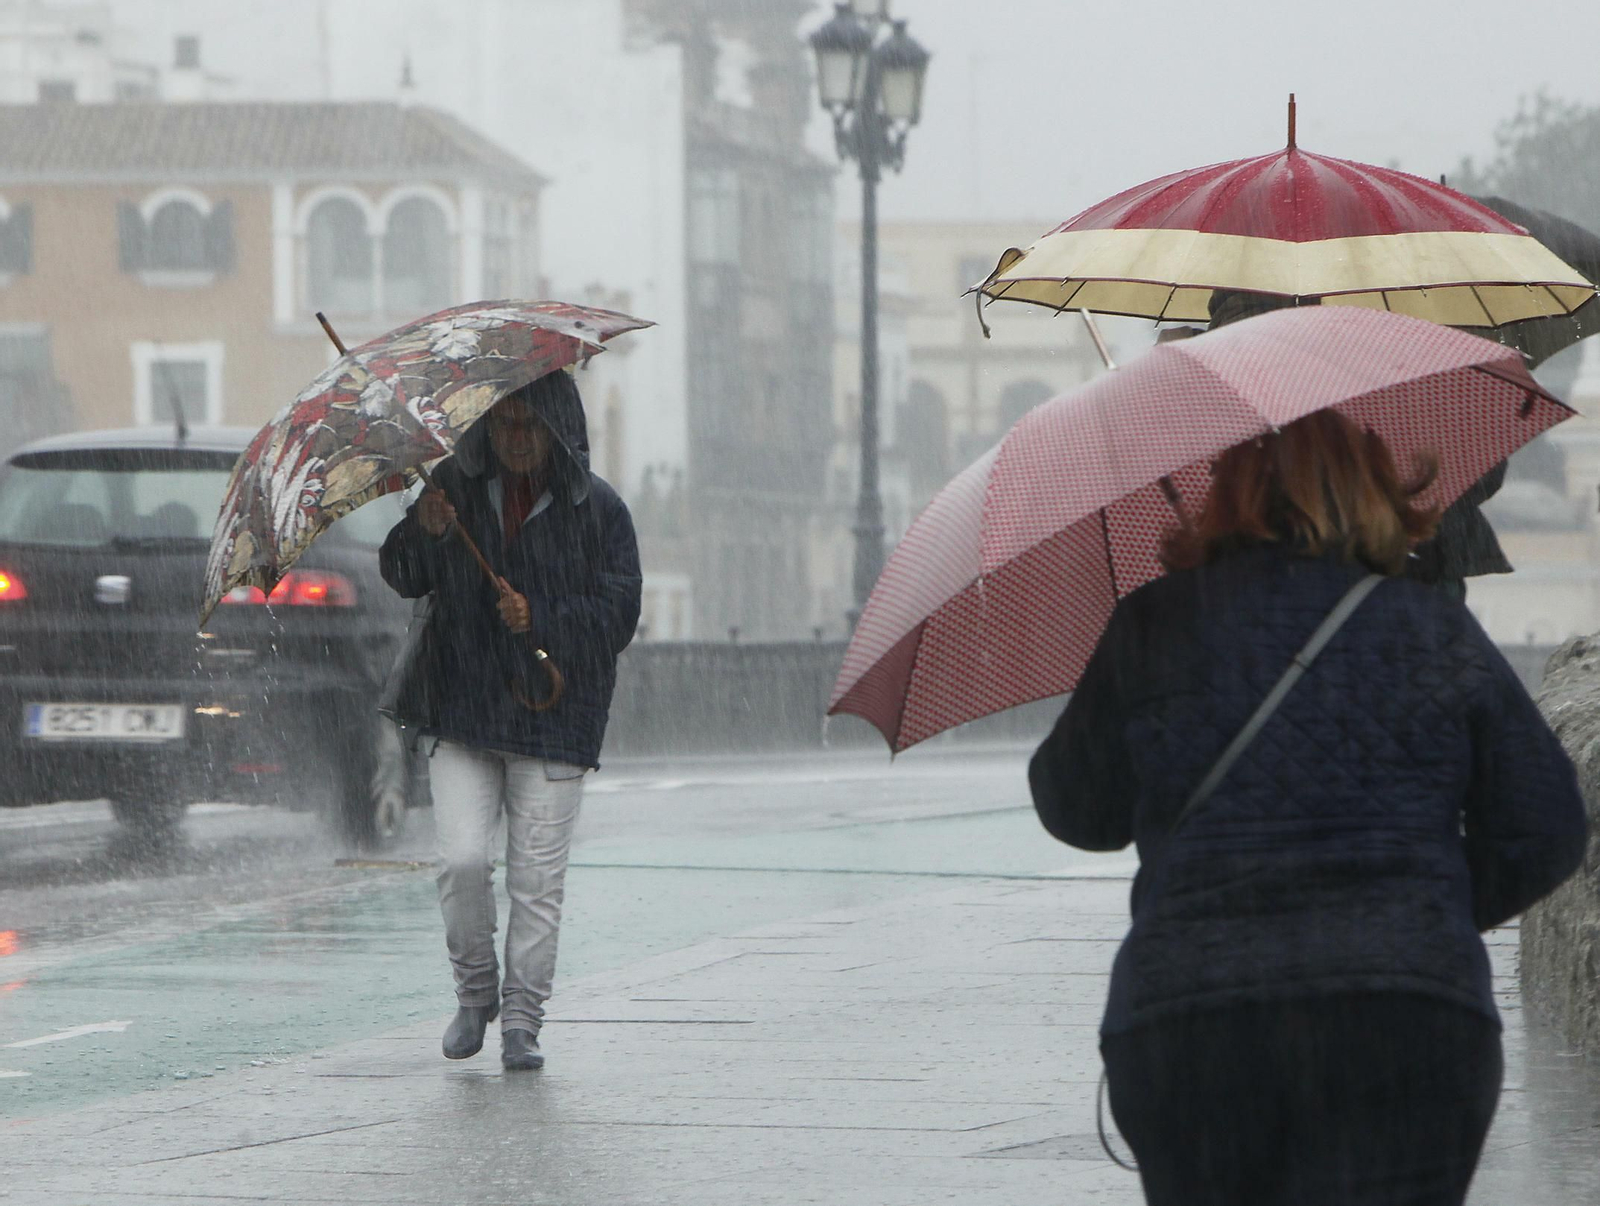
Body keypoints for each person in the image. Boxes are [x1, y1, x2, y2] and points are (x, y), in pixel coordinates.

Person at [1029, 409, 1587, 1205]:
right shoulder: (1432, 627)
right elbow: (1546, 825)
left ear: (1223, 495)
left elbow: (1075, 810)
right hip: (1405, 1017)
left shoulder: (1153, 624)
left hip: (1196, 1017)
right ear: (1379, 494)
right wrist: (1428, 906)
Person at [380, 369, 641, 1071]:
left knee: (536, 882)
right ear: (483, 430)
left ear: (558, 430)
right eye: (504, 424)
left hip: (556, 716)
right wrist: (422, 531)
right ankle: (475, 994)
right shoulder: (454, 494)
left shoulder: (600, 511)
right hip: (462, 708)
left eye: (530, 424)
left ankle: (523, 1019)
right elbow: (403, 574)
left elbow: (619, 613)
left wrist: (544, 616)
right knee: (462, 862)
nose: (517, 439)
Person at [1205, 287, 1513, 598]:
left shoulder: (1233, 343)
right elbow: (1481, 465)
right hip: (1405, 563)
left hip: (1277, 568)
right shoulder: (1415, 324)